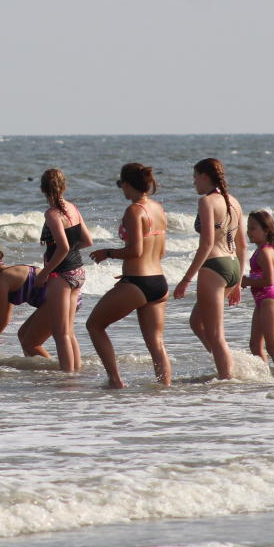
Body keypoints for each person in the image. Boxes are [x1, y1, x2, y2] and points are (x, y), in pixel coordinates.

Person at [87, 163, 171, 388]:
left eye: (121, 185)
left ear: (126, 184)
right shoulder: (157, 208)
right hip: (159, 282)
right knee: (156, 343)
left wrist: (108, 252)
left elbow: (135, 251)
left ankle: (115, 380)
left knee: (94, 325)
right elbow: (160, 250)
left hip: (138, 282)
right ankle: (165, 389)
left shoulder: (134, 210)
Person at [174, 157, 246, 381]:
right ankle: (225, 363)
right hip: (232, 265)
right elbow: (242, 245)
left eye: (195, 177)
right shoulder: (234, 201)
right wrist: (239, 281)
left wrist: (186, 279)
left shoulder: (207, 202)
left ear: (205, 176)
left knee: (216, 334)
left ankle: (227, 379)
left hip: (214, 267)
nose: (194, 182)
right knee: (197, 322)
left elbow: (206, 243)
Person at [37, 168, 92, 373]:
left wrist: (44, 273)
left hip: (61, 274)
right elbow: (87, 241)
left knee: (60, 333)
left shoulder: (52, 214)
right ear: (64, 187)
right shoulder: (73, 208)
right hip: (78, 271)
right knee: (68, 331)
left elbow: (63, 248)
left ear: (43, 189)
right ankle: (75, 373)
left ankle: (67, 378)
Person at [240, 211, 274, 373]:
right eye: (248, 228)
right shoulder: (259, 250)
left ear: (266, 230)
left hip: (269, 299)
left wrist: (247, 281)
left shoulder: (266, 251)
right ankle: (265, 377)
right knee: (254, 345)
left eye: (253, 228)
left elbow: (269, 281)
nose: (248, 232)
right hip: (261, 300)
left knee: (272, 346)